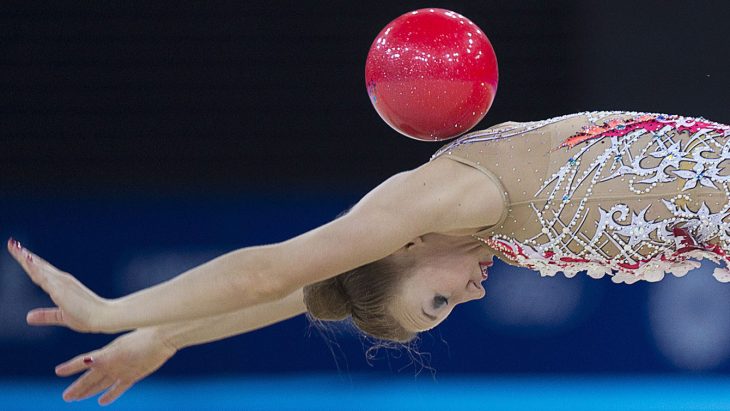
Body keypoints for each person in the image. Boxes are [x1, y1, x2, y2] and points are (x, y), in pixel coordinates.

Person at [9, 110, 730, 404]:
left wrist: (110, 311)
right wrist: (166, 335)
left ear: (405, 250)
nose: (472, 295)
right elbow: (305, 290)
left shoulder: (450, 198)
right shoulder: (447, 223)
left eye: (437, 300)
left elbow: (274, 269)